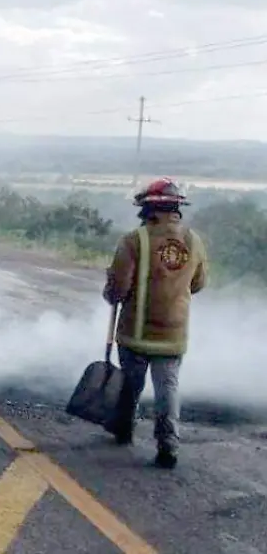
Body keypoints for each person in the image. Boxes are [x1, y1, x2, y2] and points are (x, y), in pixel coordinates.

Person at [103, 176, 207, 469]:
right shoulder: (194, 241)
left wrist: (110, 292)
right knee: (168, 390)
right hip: (174, 334)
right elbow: (198, 283)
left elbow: (119, 288)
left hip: (135, 333)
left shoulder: (134, 240)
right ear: (177, 208)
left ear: (147, 209)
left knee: (130, 386)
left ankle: (124, 431)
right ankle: (168, 447)